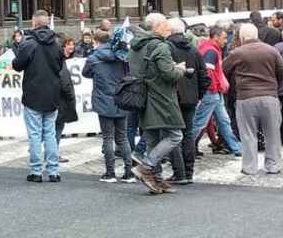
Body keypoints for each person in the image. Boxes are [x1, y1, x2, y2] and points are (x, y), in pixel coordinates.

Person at [129, 13, 186, 195]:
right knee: (175, 135)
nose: (168, 28)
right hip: (162, 97)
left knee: (152, 139)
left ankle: (156, 180)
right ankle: (146, 167)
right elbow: (169, 74)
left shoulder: (135, 46)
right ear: (156, 27)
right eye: (165, 24)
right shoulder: (160, 46)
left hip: (142, 97)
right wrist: (180, 69)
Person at [223, 24, 283, 176]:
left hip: (245, 97)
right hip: (269, 97)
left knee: (248, 134)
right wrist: (272, 81)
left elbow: (223, 69)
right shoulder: (271, 50)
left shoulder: (236, 53)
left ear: (242, 37)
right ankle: (273, 165)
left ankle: (249, 167)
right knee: (272, 133)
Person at [12, 10, 64, 184]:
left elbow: (17, 65)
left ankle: (36, 171)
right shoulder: (56, 43)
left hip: (33, 93)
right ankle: (53, 171)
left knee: (35, 134)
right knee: (50, 133)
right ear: (47, 22)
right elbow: (59, 67)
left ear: (34, 22)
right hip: (52, 93)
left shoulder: (29, 44)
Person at [83, 29, 135, 183]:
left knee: (107, 138)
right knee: (123, 138)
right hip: (122, 99)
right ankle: (128, 172)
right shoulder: (122, 56)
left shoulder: (94, 58)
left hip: (103, 100)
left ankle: (110, 173)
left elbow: (86, 73)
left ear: (95, 41)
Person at [165, 18, 209, 185]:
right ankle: (188, 171)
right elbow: (204, 76)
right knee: (187, 134)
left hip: (173, 97)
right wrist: (198, 95)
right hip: (190, 98)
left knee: (174, 134)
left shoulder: (167, 48)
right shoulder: (194, 50)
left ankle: (179, 172)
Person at [190, 26, 242, 157]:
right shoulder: (211, 51)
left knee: (222, 120)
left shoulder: (206, 48)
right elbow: (209, 73)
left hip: (213, 91)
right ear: (216, 37)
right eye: (224, 38)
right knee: (201, 122)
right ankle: (184, 147)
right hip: (212, 91)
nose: (226, 41)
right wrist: (214, 87)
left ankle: (236, 147)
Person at [55, 37, 78, 159]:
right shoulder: (60, 61)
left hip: (53, 99)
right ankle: (53, 154)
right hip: (61, 100)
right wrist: (71, 96)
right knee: (57, 127)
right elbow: (64, 82)